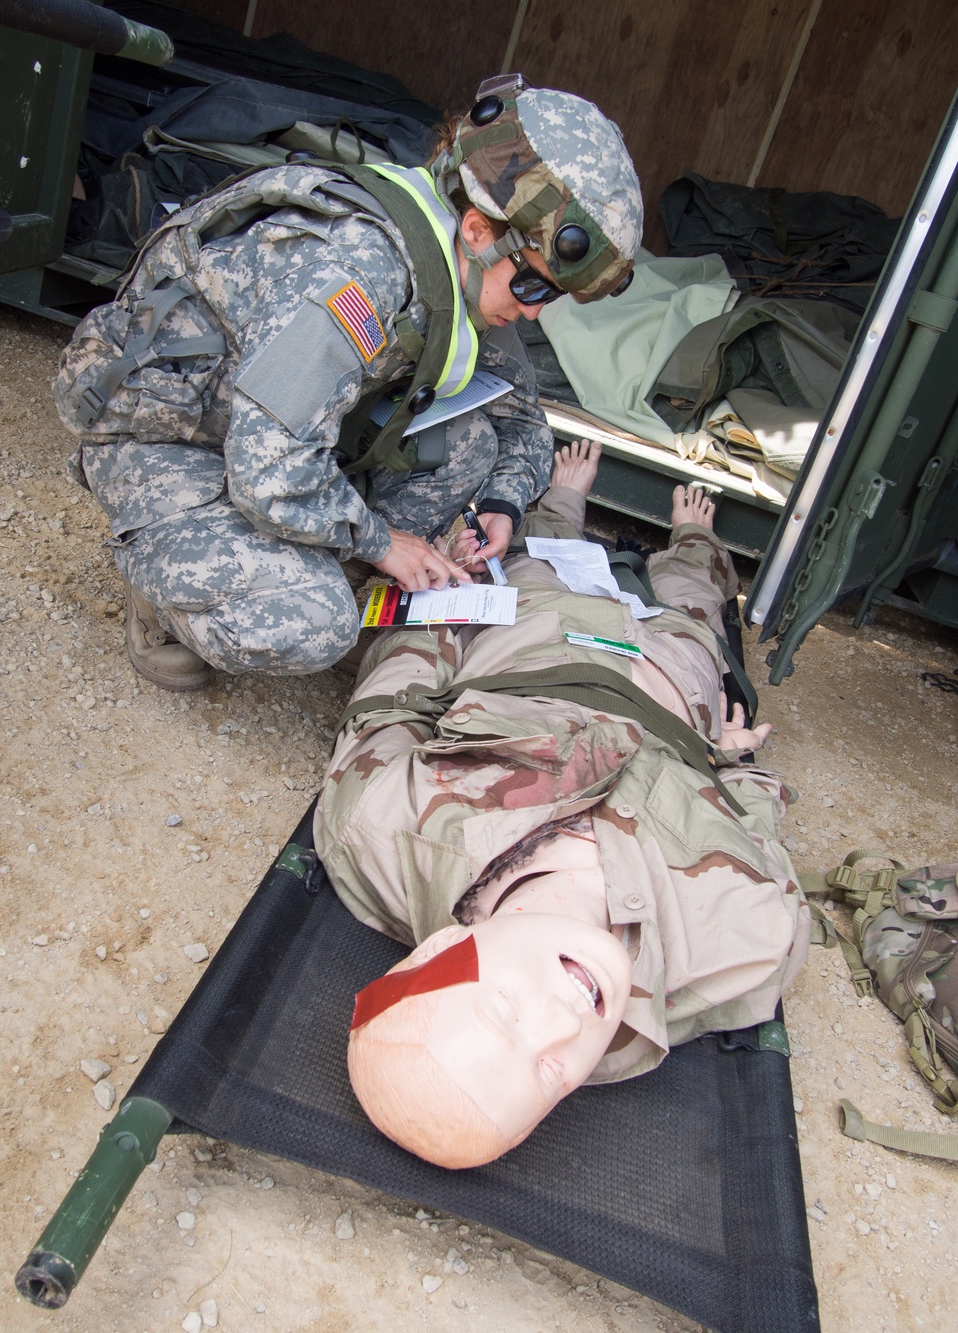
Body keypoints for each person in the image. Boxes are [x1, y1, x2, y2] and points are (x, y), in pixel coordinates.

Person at [53, 76, 643, 690]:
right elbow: (270, 474)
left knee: (473, 444)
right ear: (478, 229)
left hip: (271, 438)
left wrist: (502, 504)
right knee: (313, 624)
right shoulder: (357, 274)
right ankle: (171, 586)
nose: (533, 311)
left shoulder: (473, 277)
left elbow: (522, 423)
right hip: (173, 446)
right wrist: (385, 543)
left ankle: (308, 567)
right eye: (535, 287)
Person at [314, 446, 811, 1168]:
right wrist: (737, 764)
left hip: (537, 644)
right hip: (677, 686)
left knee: (538, 558)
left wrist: (447, 628)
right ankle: (693, 538)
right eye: (548, 1076)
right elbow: (759, 835)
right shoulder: (745, 942)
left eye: (506, 1013)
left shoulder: (381, 828)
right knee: (697, 608)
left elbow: (387, 703)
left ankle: (563, 503)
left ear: (446, 950)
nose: (563, 1024)